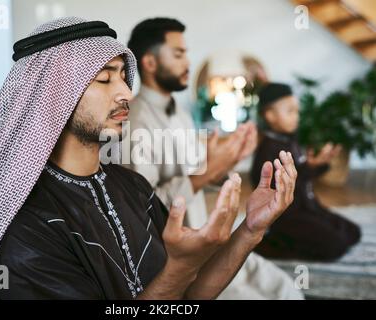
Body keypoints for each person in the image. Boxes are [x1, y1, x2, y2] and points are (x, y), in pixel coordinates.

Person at [0, 17, 296, 300]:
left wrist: (251, 229)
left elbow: (189, 295)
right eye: (104, 79)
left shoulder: (131, 185)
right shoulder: (27, 228)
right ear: (54, 98)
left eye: (121, 75)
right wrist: (178, 266)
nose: (126, 91)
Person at [126, 18, 303, 299]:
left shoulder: (180, 114)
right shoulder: (134, 122)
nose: (188, 62)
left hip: (208, 242)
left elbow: (198, 174)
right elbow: (142, 208)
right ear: (149, 62)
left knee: (285, 287)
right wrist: (206, 174)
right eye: (178, 54)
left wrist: (228, 161)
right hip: (177, 263)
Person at [251, 82, 361, 261]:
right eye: (290, 111)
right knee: (336, 245)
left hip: (308, 207)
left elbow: (302, 175)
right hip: (289, 216)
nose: (296, 116)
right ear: (270, 115)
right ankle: (273, 244)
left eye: (297, 111)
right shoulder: (268, 150)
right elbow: (283, 189)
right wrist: (309, 167)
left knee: (353, 232)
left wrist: (317, 164)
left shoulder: (290, 140)